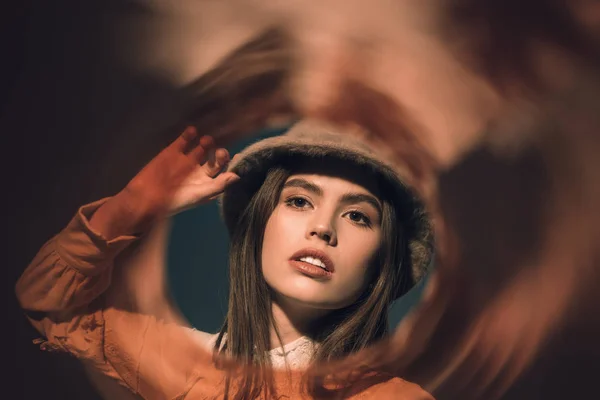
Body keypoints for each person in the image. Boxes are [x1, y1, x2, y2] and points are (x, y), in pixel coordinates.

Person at [15, 119, 434, 399]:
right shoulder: (179, 363)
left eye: (358, 216)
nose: (323, 228)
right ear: (259, 225)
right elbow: (48, 302)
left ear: (384, 262)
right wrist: (136, 204)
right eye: (300, 200)